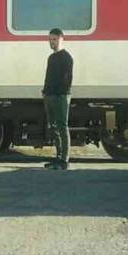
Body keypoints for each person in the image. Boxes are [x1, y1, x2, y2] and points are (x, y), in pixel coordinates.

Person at [42, 28, 73, 170]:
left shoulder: (66, 57)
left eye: (54, 39)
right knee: (54, 127)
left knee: (62, 126)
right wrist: (45, 92)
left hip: (61, 97)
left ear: (61, 39)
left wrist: (59, 94)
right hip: (50, 96)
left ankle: (65, 160)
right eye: (50, 39)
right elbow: (48, 77)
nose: (51, 42)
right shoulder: (51, 57)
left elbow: (66, 81)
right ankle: (58, 157)